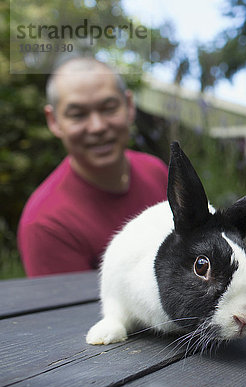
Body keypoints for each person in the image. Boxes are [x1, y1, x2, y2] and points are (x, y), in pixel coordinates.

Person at [18, 57, 169, 277]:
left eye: (108, 108)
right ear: (54, 121)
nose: (97, 127)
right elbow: (70, 311)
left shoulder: (156, 172)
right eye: (78, 115)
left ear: (129, 106)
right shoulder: (46, 224)